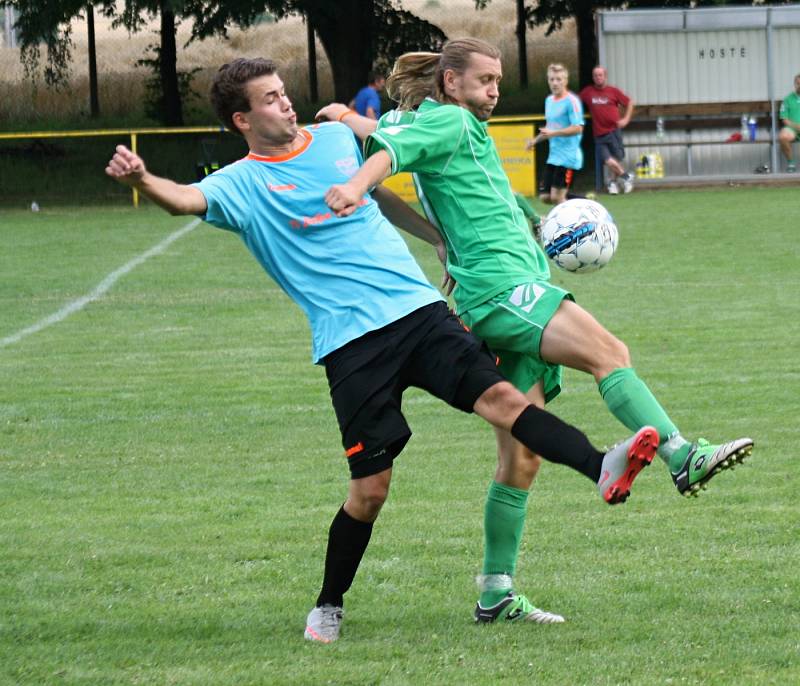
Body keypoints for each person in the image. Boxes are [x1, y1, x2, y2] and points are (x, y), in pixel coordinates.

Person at [105, 57, 661, 642]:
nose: (286, 103)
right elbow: (184, 200)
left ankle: (601, 465)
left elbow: (380, 194)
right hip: (351, 345)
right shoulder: (239, 183)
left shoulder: (335, 138)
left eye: (283, 92)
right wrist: (143, 179)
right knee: (370, 491)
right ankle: (328, 602)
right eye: (269, 99)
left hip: (418, 313)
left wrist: (437, 238)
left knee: (504, 401)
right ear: (242, 118)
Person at [321, 38, 754, 623]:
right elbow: (385, 158)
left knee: (521, 456)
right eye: (484, 81)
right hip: (505, 290)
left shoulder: (429, 120)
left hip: (495, 289)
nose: (495, 91)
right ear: (450, 84)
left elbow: (390, 140)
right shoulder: (448, 121)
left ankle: (496, 593)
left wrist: (466, 228)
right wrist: (352, 177)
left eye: (498, 80)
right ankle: (682, 455)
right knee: (609, 352)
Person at [525, 63, 584, 206]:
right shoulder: (549, 101)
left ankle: (569, 224)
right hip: (554, 157)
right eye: (551, 79)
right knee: (545, 197)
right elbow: (550, 128)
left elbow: (578, 128)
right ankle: (584, 201)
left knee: (557, 199)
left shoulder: (572, 101)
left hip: (568, 158)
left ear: (565, 81)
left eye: (558, 79)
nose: (555, 83)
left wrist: (554, 133)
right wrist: (534, 141)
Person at [579, 65, 635, 194]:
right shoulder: (588, 92)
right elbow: (575, 102)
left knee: (616, 158)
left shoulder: (613, 91)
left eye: (600, 75)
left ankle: (612, 183)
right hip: (599, 133)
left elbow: (629, 103)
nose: (598, 77)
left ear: (605, 76)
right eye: (595, 75)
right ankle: (626, 177)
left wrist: (625, 119)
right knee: (607, 159)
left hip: (614, 131)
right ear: (593, 77)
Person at [778, 73, 800, 173]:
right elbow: (784, 119)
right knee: (783, 136)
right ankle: (791, 163)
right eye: (798, 83)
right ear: (795, 84)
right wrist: (796, 126)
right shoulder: (787, 99)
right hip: (793, 129)